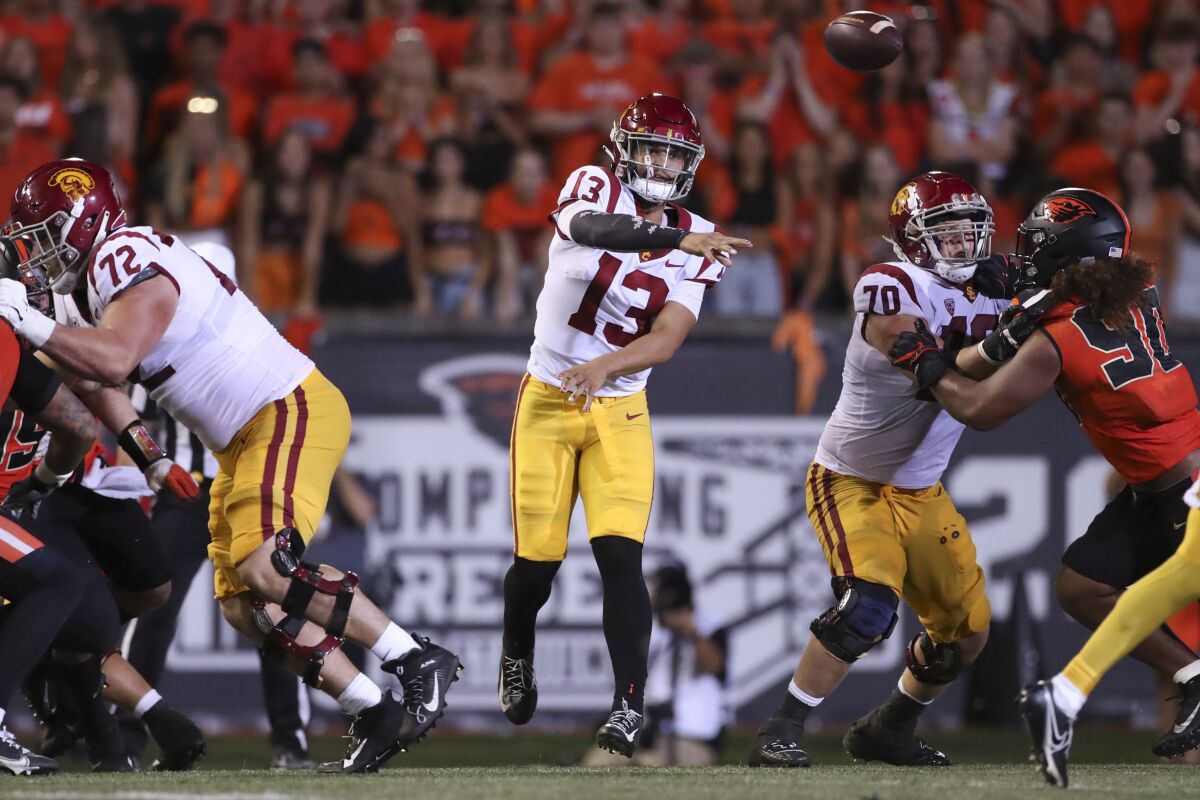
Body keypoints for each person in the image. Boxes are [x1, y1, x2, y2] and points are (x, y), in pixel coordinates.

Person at [0, 159, 462, 774]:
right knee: (245, 604)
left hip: (284, 406)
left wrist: (27, 320)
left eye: (51, 233)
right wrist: (151, 454)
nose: (38, 253)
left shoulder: (123, 253)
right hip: (239, 439)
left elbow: (111, 359)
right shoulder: (81, 287)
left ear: (88, 224)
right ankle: (371, 707)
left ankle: (412, 657)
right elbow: (93, 378)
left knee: (266, 567)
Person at [885, 188, 1200, 787]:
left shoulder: (1057, 339)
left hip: (1183, 493)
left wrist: (927, 364)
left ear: (1066, 255)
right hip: (1161, 487)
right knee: (1082, 587)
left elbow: (977, 408)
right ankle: (1194, 679)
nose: (1024, 254)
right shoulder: (1140, 292)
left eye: (1037, 244)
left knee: (1093, 592)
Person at [498, 93, 749, 758]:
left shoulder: (701, 238)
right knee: (537, 564)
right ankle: (517, 647)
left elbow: (668, 337)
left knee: (620, 557)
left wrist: (608, 367)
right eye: (656, 148)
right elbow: (591, 230)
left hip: (621, 405)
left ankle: (627, 707)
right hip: (549, 396)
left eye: (677, 154)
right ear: (625, 147)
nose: (665, 163)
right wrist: (674, 237)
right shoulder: (594, 183)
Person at [746, 171, 1010, 769]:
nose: (964, 246)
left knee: (968, 632)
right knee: (866, 606)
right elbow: (927, 361)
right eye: (947, 233)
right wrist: (1011, 334)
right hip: (851, 479)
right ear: (913, 238)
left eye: (972, 232)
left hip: (921, 489)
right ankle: (781, 728)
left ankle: (889, 728)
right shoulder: (890, 283)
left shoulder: (997, 287)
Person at [117, 244, 313, 770]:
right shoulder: (154, 345)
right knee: (153, 607)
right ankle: (127, 738)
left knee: (273, 609)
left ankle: (291, 738)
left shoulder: (258, 347)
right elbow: (128, 426)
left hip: (246, 487)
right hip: (186, 491)